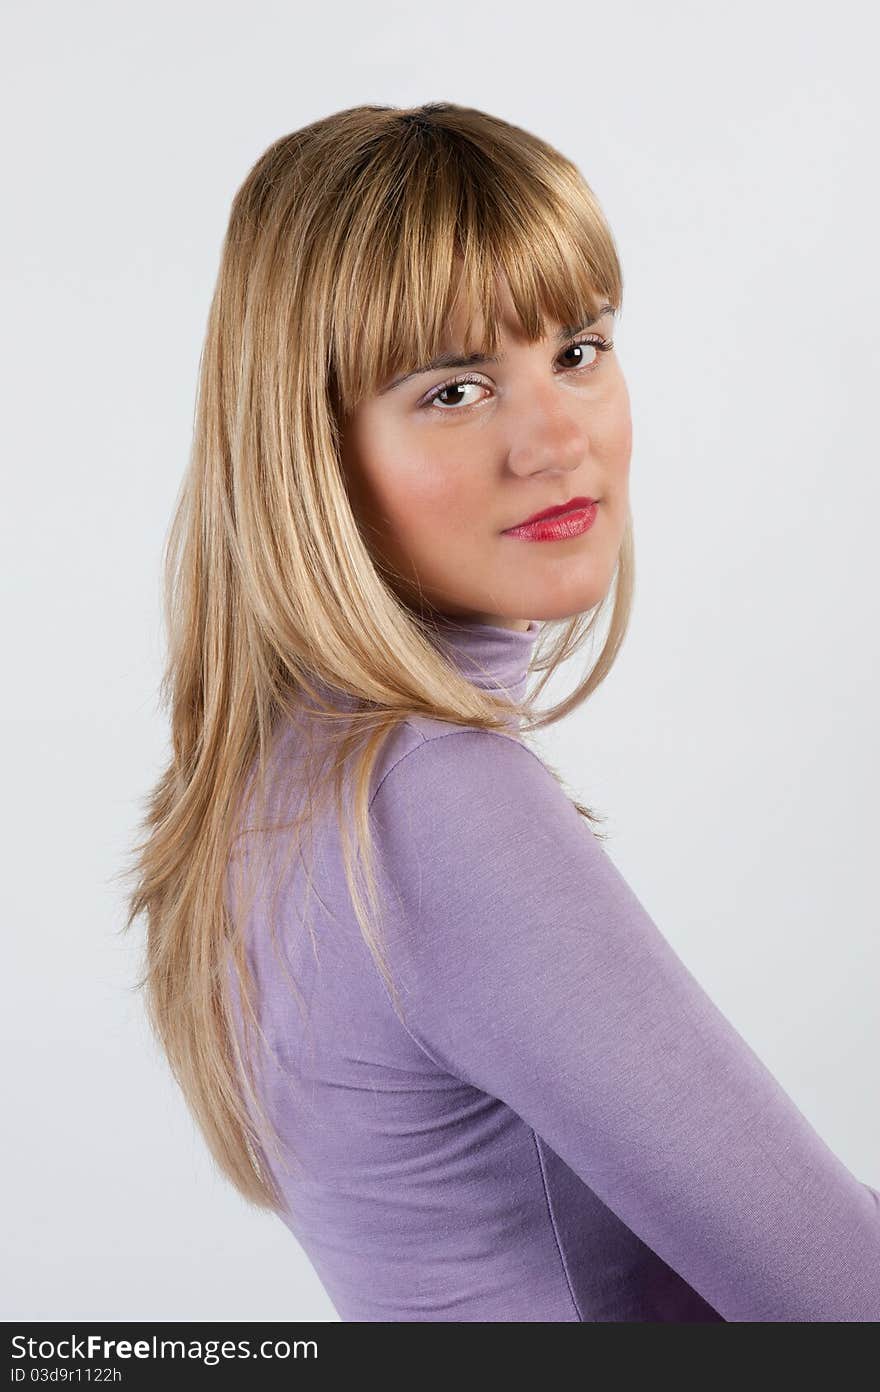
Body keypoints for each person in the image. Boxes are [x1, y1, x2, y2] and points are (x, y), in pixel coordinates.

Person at [123, 102, 880, 1321]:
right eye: (456, 388)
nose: (553, 440)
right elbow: (843, 1301)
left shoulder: (289, 770)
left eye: (577, 349)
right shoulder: (433, 802)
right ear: (307, 453)